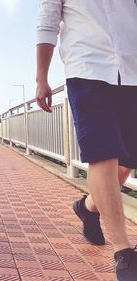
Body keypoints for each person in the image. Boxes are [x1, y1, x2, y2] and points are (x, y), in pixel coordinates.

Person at [36, 1, 137, 280]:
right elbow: (47, 22)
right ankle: (124, 253)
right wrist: (41, 78)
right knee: (103, 154)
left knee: (127, 162)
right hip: (86, 69)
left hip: (132, 72)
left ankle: (88, 206)